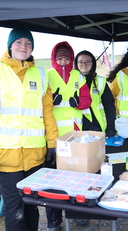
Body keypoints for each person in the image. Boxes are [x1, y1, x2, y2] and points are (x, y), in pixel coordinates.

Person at [0, 26, 58, 231]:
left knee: (32, 206)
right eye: (19, 42)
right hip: (7, 155)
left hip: (35, 153)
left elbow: (47, 112)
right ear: (10, 46)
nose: (24, 46)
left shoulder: (41, 74)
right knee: (15, 209)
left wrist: (52, 144)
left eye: (28, 43)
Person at [46, 42, 92, 231]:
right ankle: (53, 222)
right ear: (54, 59)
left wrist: (78, 102)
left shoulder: (78, 76)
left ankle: (77, 213)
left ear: (71, 59)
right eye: (60, 58)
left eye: (66, 58)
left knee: (76, 175)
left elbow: (87, 98)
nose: (63, 61)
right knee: (54, 179)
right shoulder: (48, 75)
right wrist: (51, 100)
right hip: (53, 135)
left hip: (74, 134)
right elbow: (39, 99)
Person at [73, 50, 116, 137]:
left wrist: (111, 127)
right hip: (77, 126)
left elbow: (109, 105)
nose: (84, 65)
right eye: (81, 62)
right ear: (76, 64)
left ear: (93, 63)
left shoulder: (100, 81)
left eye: (87, 62)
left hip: (96, 126)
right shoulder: (70, 81)